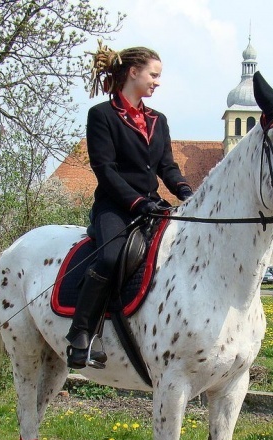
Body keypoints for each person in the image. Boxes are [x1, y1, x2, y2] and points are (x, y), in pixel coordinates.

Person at [65, 44, 193, 369]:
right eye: (154, 75)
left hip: (152, 206)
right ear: (134, 72)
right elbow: (105, 170)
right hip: (116, 207)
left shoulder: (158, 120)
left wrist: (186, 191)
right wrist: (136, 202)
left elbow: (167, 166)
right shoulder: (102, 116)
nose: (158, 82)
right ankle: (81, 333)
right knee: (110, 257)